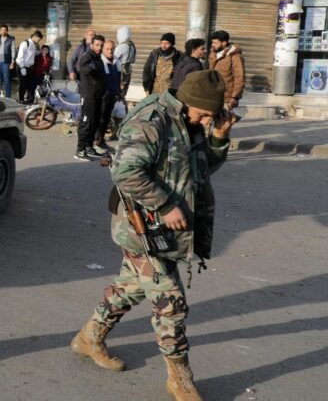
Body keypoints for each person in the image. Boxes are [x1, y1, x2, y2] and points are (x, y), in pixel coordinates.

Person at [70, 70, 233, 401]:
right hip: (142, 228)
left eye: (210, 117)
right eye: (203, 114)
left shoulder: (191, 123)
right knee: (171, 303)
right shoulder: (151, 119)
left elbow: (201, 169)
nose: (204, 121)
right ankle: (180, 378)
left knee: (130, 288)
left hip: (165, 231)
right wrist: (166, 206)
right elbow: (125, 172)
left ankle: (89, 337)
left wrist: (218, 136)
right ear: (188, 102)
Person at [75, 35, 107, 161]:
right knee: (86, 123)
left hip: (97, 96)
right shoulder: (87, 57)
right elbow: (81, 70)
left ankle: (88, 147)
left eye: (101, 45)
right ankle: (80, 150)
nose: (99, 48)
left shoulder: (98, 58)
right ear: (91, 45)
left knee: (94, 122)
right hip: (88, 96)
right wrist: (91, 67)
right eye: (97, 45)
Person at [95, 40, 122, 152]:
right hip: (102, 96)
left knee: (106, 119)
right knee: (99, 119)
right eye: (107, 49)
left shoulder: (117, 61)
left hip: (112, 94)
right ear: (103, 49)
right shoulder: (100, 61)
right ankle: (95, 141)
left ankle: (101, 140)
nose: (110, 51)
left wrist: (119, 92)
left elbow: (118, 78)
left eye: (112, 49)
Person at [208, 30, 245, 112]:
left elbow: (239, 77)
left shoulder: (235, 56)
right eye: (212, 42)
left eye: (215, 43)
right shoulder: (213, 53)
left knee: (223, 123)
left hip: (226, 98)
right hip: (213, 95)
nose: (212, 45)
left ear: (224, 43)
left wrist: (235, 97)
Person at [14, 30, 44, 104]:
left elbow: (32, 54)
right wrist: (22, 67)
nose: (39, 41)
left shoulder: (34, 44)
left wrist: (41, 52)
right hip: (22, 67)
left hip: (29, 68)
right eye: (39, 39)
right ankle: (21, 100)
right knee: (22, 84)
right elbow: (20, 57)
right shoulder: (25, 43)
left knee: (28, 84)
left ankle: (27, 100)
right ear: (34, 36)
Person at [0, 25, 16, 98]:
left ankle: (8, 98)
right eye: (2, 30)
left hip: (6, 63)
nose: (3, 31)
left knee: (7, 81)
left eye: (5, 30)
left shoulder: (11, 39)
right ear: (0, 31)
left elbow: (13, 51)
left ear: (7, 31)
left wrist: (12, 62)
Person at [114, 26, 137, 100]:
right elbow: (133, 60)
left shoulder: (122, 46)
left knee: (117, 92)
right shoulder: (132, 46)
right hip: (128, 71)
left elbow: (113, 58)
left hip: (120, 71)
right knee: (123, 92)